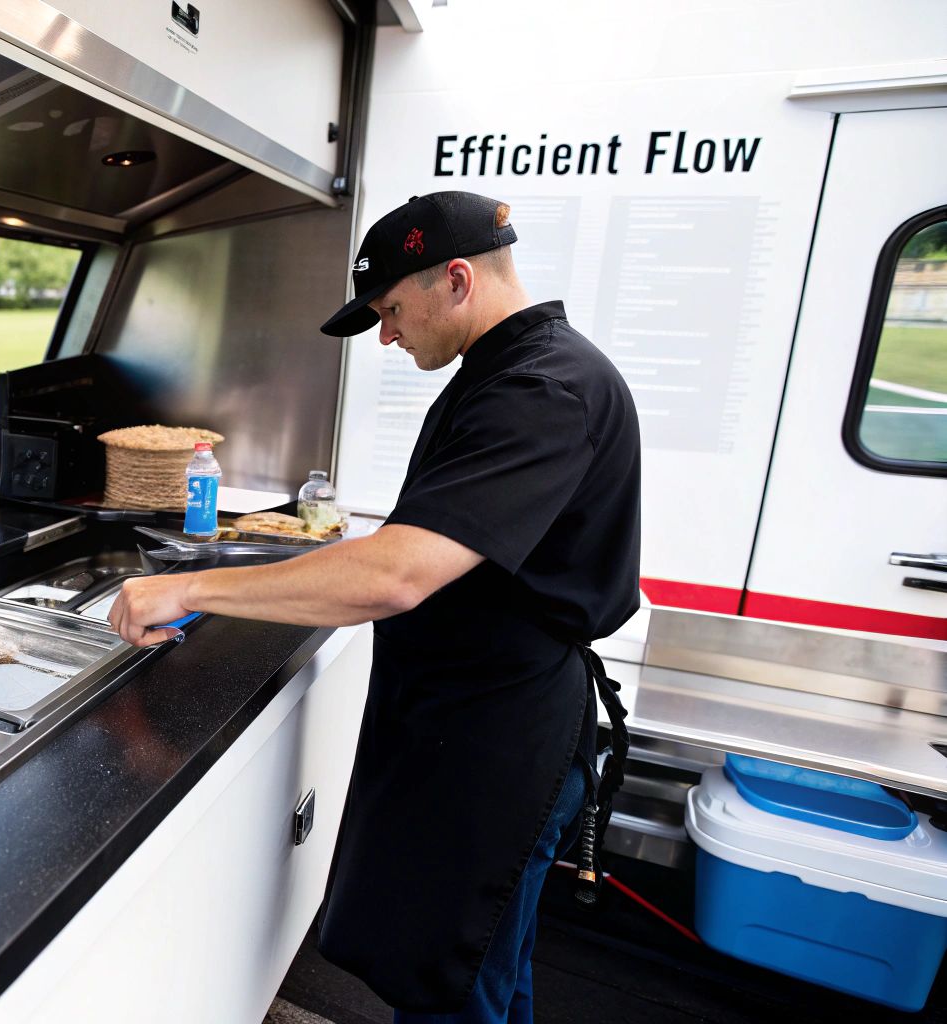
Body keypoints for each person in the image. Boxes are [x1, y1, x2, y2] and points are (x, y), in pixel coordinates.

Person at [108, 191, 641, 1024]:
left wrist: (190, 585)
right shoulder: (506, 371)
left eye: (391, 310)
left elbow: (397, 572)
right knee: (484, 971)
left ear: (456, 279)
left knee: (453, 986)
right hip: (463, 719)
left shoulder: (542, 389)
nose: (388, 336)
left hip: (496, 735)